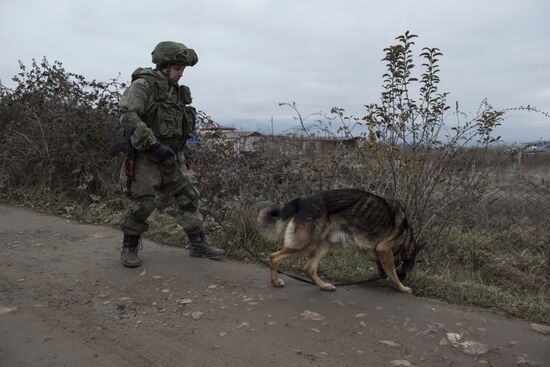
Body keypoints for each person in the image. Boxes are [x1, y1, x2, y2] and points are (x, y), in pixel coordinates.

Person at [117, 41, 225, 268]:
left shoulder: (176, 91)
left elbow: (181, 124)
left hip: (173, 156)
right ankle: (129, 246)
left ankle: (198, 244)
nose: (181, 73)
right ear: (165, 66)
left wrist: (186, 148)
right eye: (177, 69)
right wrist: (154, 145)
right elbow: (127, 115)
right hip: (146, 156)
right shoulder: (144, 85)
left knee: (188, 196)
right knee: (143, 203)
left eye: (183, 69)